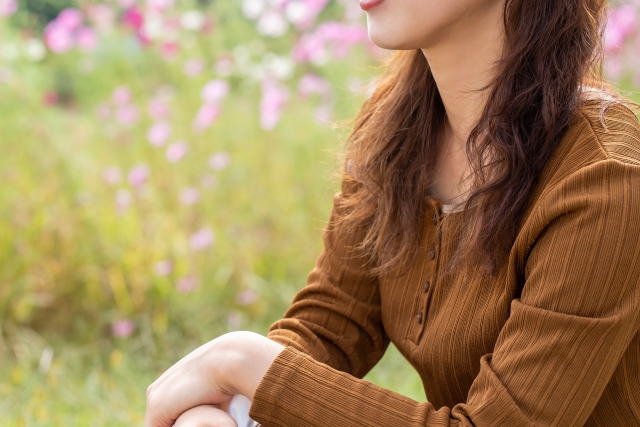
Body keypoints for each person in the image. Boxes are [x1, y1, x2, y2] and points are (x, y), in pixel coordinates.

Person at [144, 0, 640, 425]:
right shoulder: (399, 133)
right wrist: (224, 410)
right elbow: (327, 328)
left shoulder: (607, 176)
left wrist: (243, 363)